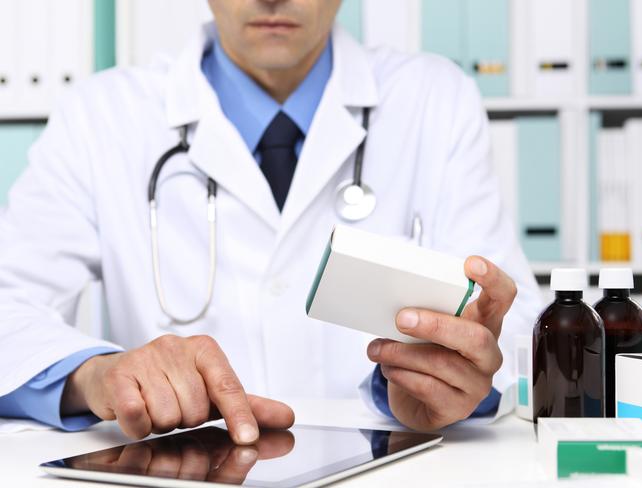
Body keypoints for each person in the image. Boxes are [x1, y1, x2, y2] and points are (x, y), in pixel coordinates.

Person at [0, 0, 542, 444]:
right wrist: (95, 374)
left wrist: (437, 382)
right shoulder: (101, 115)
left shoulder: (433, 99)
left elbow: (513, 325)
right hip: (182, 472)